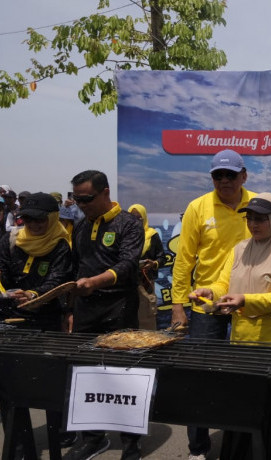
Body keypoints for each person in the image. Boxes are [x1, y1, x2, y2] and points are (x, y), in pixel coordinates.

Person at [190, 192, 271, 460]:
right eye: (249, 218)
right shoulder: (239, 248)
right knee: (246, 407)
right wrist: (210, 293)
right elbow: (223, 284)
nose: (253, 224)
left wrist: (244, 300)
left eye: (260, 219)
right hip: (242, 343)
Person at [169, 149, 256, 460]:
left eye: (230, 174)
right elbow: (184, 260)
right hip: (206, 308)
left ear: (243, 176)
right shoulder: (198, 207)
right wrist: (178, 305)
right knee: (201, 377)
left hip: (248, 305)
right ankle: (197, 448)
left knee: (246, 376)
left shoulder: (257, 204)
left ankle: (246, 442)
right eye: (217, 175)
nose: (224, 180)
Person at [66, 170, 144, 460]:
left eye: (87, 198)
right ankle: (93, 438)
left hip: (119, 306)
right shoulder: (81, 225)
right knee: (87, 375)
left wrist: (96, 282)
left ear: (105, 192)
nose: (81, 204)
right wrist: (70, 310)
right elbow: (77, 269)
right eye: (77, 199)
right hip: (86, 308)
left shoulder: (129, 223)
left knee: (123, 376)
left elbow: (127, 266)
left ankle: (131, 440)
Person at [0, 192, 72, 331]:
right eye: (27, 219)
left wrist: (33, 294)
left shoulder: (60, 245)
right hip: (7, 315)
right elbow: (3, 270)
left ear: (52, 218)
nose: (33, 224)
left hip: (44, 318)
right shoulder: (11, 239)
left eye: (39, 219)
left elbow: (56, 279)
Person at [128, 203, 166, 330]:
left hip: (145, 282)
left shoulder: (152, 235)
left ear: (144, 218)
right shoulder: (124, 235)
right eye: (132, 218)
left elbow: (162, 258)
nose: (136, 221)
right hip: (127, 283)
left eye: (139, 218)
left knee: (147, 317)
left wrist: (153, 264)